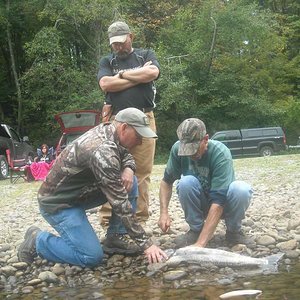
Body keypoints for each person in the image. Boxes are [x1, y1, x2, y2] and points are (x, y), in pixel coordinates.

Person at [18, 108, 167, 268]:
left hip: (78, 194)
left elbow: (125, 154)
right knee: (91, 257)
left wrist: (129, 168)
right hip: (58, 203)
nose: (140, 142)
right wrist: (146, 244)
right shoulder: (102, 150)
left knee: (130, 182)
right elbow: (120, 203)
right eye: (138, 136)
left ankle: (116, 236)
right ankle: (37, 240)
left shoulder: (110, 130)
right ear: (124, 128)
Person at [97, 21, 160, 222]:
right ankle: (108, 218)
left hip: (144, 118)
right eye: (114, 44)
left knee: (142, 170)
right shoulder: (107, 61)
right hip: (116, 120)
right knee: (110, 167)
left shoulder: (146, 55)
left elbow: (152, 73)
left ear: (130, 37)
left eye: (121, 42)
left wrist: (122, 76)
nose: (118, 47)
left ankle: (138, 218)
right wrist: (137, 77)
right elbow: (105, 84)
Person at [158, 118, 253, 249]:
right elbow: (166, 182)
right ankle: (196, 230)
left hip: (224, 204)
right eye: (187, 149)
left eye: (195, 149)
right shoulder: (176, 149)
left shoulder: (220, 152)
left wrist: (201, 244)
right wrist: (163, 213)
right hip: (201, 203)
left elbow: (218, 202)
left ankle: (233, 232)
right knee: (185, 182)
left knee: (241, 189)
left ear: (206, 139)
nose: (191, 154)